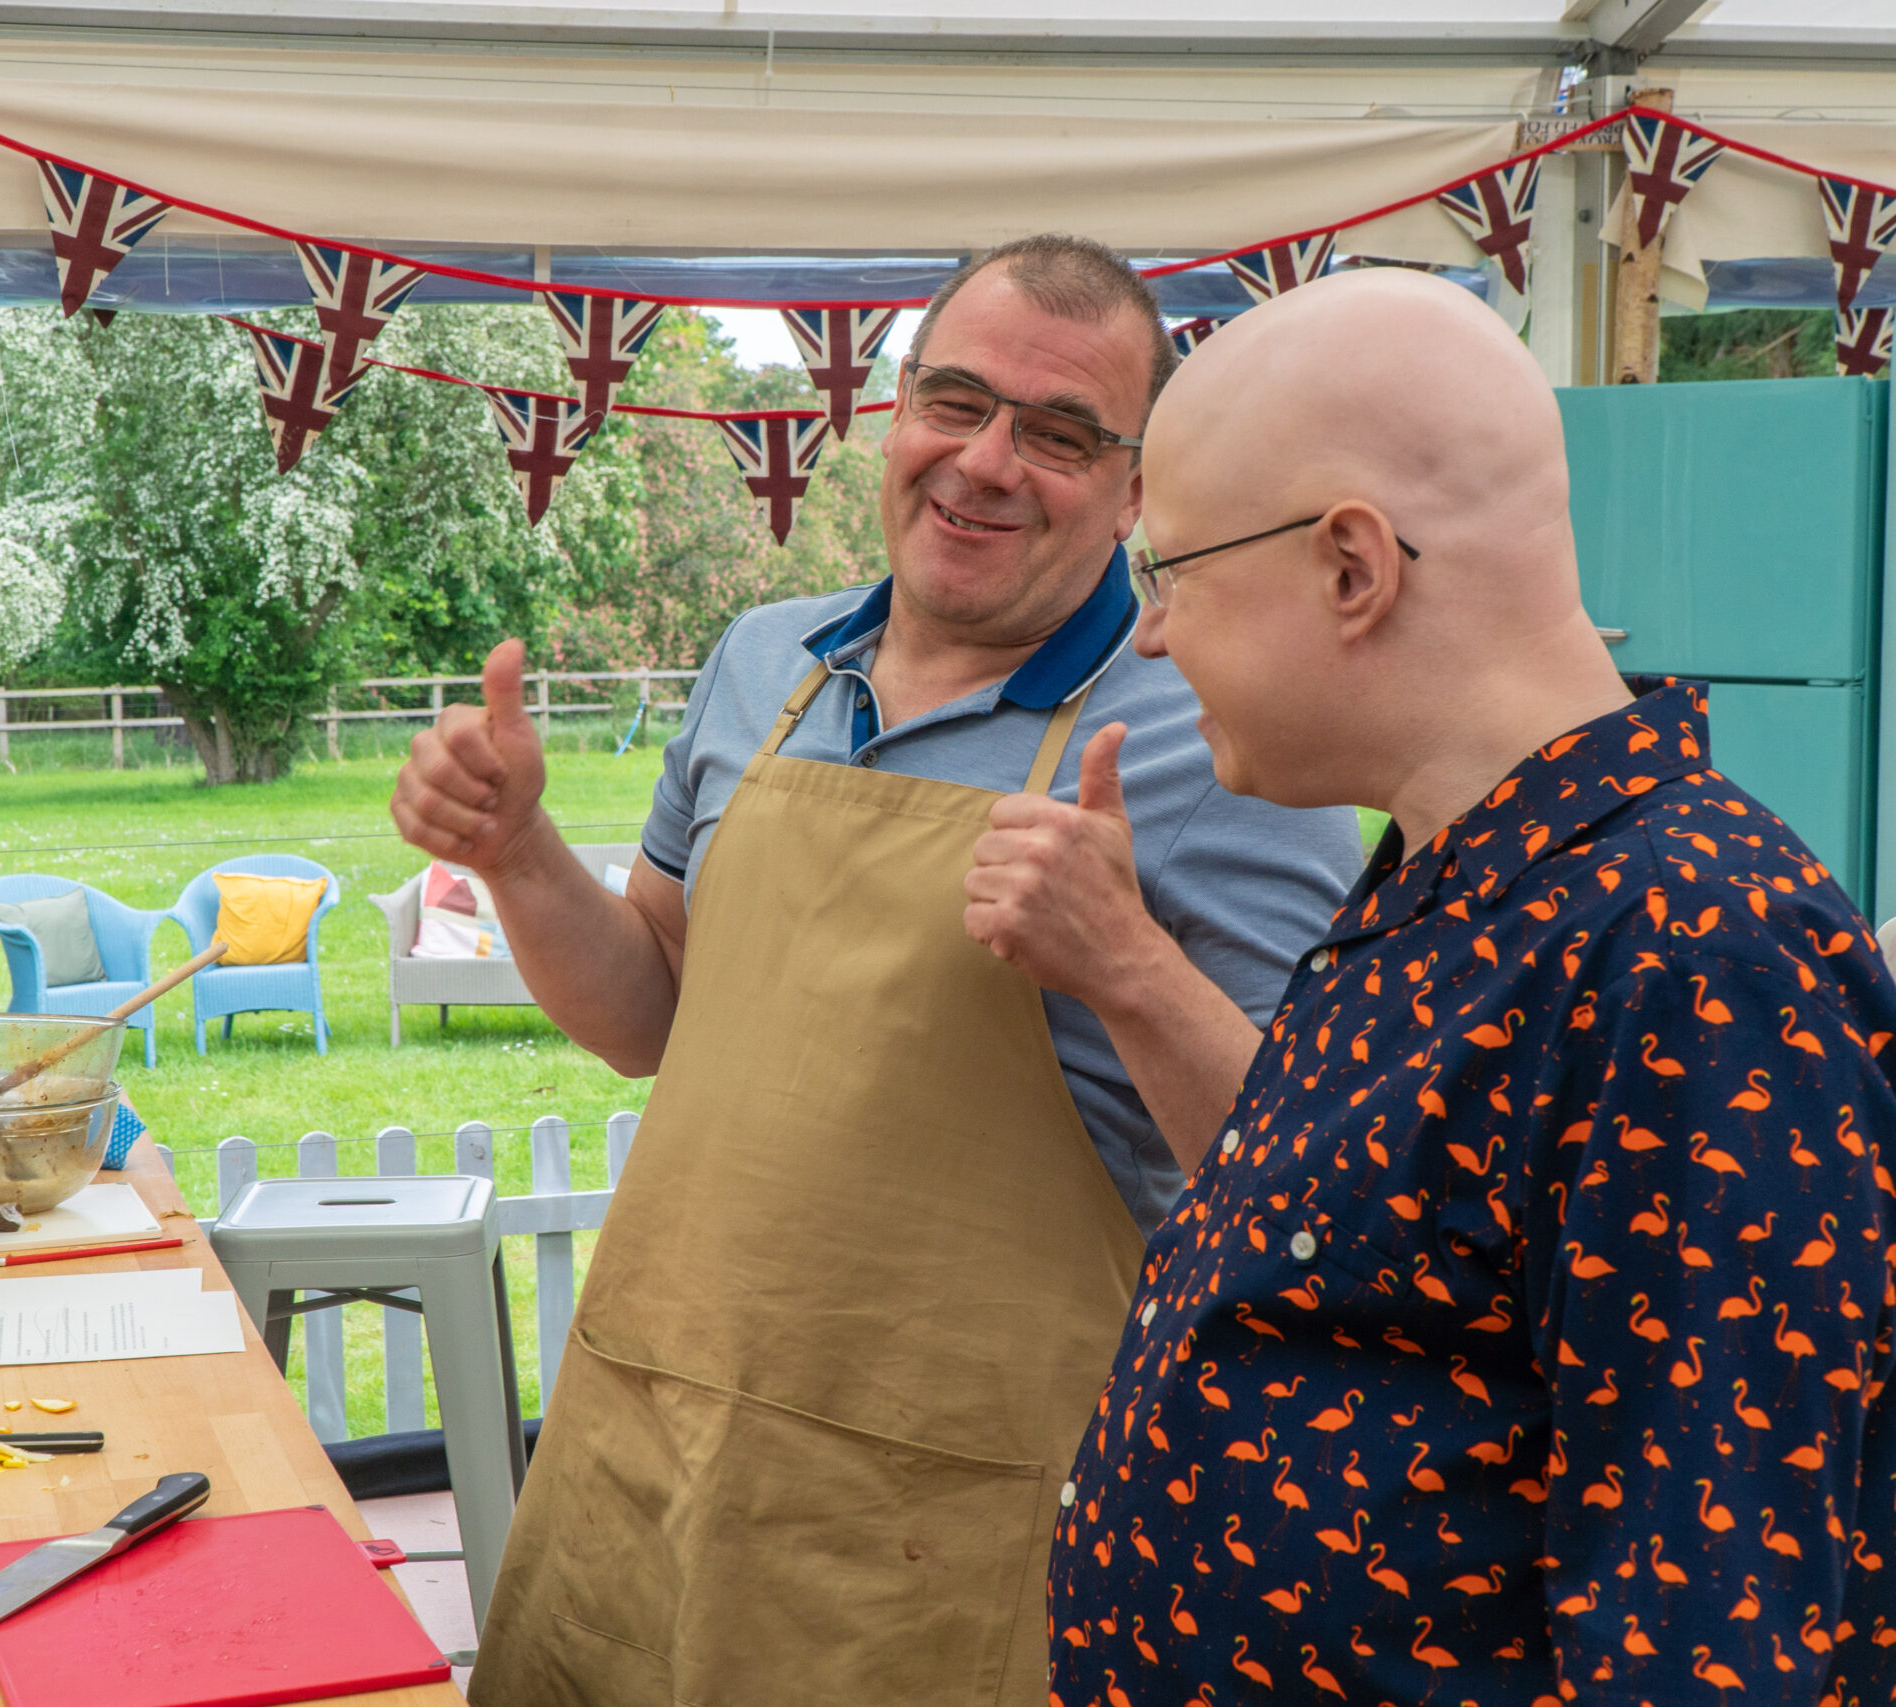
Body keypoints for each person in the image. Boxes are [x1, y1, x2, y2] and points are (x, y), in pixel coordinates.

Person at [387, 234, 1361, 1703]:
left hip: (945, 1544)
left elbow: (1316, 1194)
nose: (983, 463)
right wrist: (521, 854)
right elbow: (648, 1012)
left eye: (1057, 433)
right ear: (892, 408)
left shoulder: (1219, 735)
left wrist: (1129, 965)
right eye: (954, 402)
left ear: (1135, 485)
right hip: (650, 1458)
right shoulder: (761, 662)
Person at [1046, 269, 1896, 1707]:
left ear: (1353, 566)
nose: (1150, 634)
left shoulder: (1693, 958)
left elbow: (1700, 1639)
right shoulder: (1447, 883)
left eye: (1170, 574)